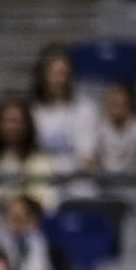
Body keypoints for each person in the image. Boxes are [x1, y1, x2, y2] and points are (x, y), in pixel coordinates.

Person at [29, 44, 98, 175]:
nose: (60, 80)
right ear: (43, 75)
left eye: (64, 73)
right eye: (54, 74)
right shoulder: (31, 110)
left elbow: (88, 156)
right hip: (42, 183)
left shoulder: (85, 109)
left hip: (77, 186)